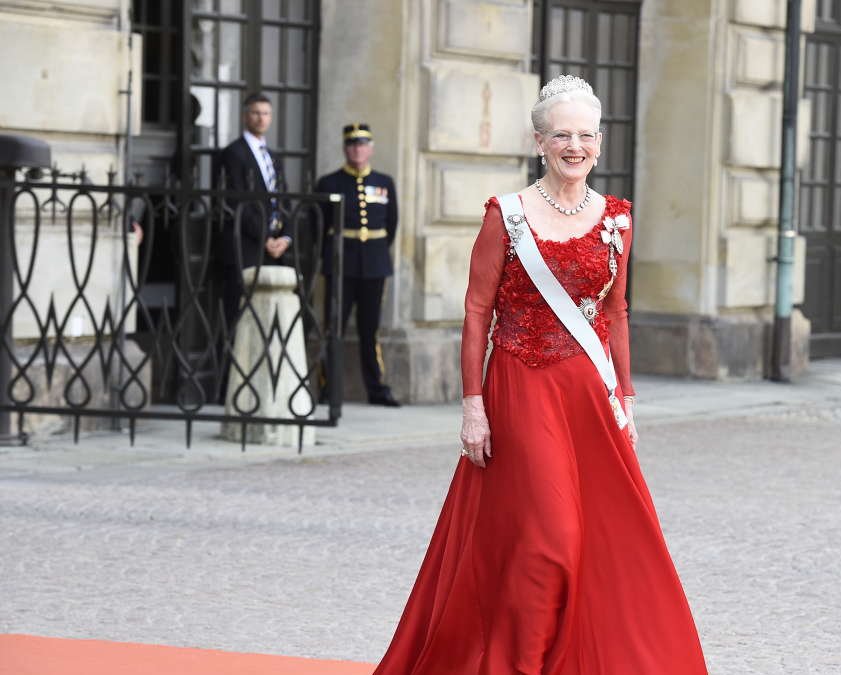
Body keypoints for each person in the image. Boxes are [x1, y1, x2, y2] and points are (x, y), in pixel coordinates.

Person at [371, 75, 708, 674]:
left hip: (587, 393)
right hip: (520, 387)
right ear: (539, 142)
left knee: (606, 539)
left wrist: (626, 397)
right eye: (561, 135)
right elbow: (477, 310)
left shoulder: (618, 220)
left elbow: (615, 312)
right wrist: (472, 404)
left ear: (599, 144)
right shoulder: (509, 215)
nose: (573, 146)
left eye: (584, 135)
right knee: (549, 540)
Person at [316, 124, 401, 407]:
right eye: (352, 144)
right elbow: (319, 226)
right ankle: (327, 387)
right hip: (340, 264)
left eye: (363, 144)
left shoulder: (384, 182)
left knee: (370, 330)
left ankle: (376, 389)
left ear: (371, 148)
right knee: (334, 327)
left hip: (374, 264)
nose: (357, 149)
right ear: (345, 148)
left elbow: (391, 224)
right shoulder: (329, 183)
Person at [214, 92, 293, 330]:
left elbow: (284, 200)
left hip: (275, 250)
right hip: (246, 246)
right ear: (246, 116)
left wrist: (286, 237)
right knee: (239, 316)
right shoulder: (233, 153)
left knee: (270, 318)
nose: (261, 119)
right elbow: (237, 201)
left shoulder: (273, 157)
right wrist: (265, 238)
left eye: (266, 113)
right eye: (256, 113)